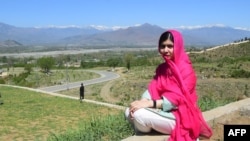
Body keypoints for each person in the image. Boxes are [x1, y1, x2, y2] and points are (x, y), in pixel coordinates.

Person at [125, 30, 212, 141]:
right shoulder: (162, 68)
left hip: (181, 115)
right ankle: (151, 128)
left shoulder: (186, 70)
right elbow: (153, 88)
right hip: (164, 111)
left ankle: (150, 129)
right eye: (163, 46)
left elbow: (176, 100)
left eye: (170, 46)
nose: (165, 50)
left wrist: (149, 104)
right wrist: (143, 101)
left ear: (178, 46)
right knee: (129, 111)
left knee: (139, 115)